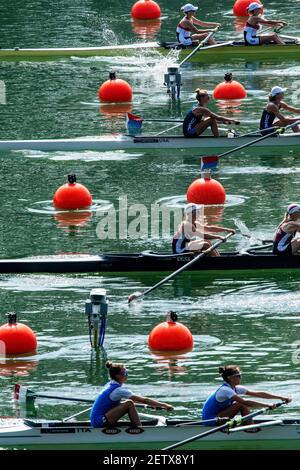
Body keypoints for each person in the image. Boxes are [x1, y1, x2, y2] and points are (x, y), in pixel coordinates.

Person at [201, 365, 291, 429]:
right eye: (238, 376)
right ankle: (250, 428)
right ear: (230, 378)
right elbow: (245, 402)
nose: (240, 377)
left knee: (239, 404)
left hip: (220, 417)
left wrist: (281, 397)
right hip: (211, 420)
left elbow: (259, 394)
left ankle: (248, 425)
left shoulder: (236, 388)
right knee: (240, 404)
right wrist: (267, 405)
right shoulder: (225, 390)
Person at [90, 361, 173, 428]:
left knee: (129, 402)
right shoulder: (118, 390)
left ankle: (138, 428)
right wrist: (164, 405)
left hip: (97, 420)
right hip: (100, 421)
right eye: (125, 373)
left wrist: (152, 404)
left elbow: (137, 400)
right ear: (118, 376)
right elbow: (144, 400)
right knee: (129, 403)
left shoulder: (110, 384)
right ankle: (140, 430)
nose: (127, 375)